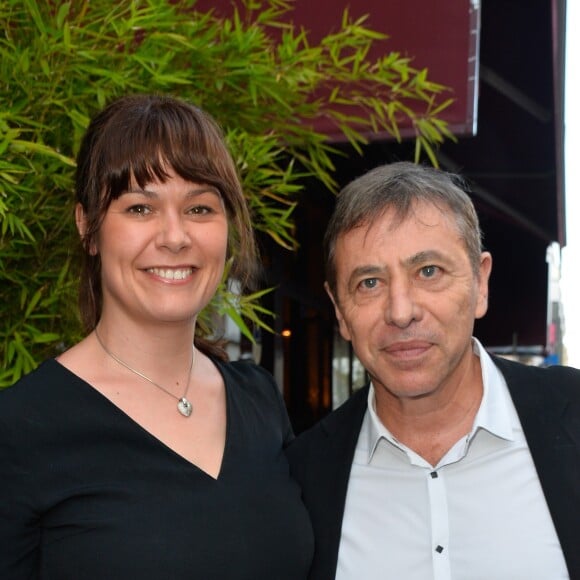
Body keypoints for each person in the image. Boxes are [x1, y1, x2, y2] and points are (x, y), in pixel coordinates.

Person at [0, 94, 313, 579]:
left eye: (200, 208)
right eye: (141, 208)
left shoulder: (260, 399)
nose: (174, 236)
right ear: (88, 227)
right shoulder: (21, 428)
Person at [286, 161, 580, 580]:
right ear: (340, 312)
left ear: (481, 284)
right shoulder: (303, 477)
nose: (401, 312)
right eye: (369, 282)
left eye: (429, 272)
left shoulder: (573, 417)